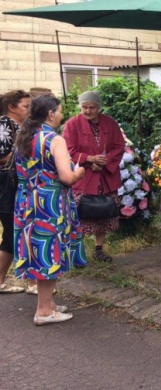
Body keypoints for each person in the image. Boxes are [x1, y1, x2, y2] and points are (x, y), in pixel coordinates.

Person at [14, 95, 86, 325]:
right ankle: (44, 310)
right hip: (50, 204)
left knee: (36, 252)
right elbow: (67, 177)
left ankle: (47, 304)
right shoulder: (54, 139)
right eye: (60, 111)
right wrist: (80, 172)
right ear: (50, 114)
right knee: (49, 253)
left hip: (27, 202)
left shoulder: (24, 137)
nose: (62, 115)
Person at [62, 91, 125, 263]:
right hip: (83, 175)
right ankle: (76, 253)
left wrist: (104, 161)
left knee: (103, 213)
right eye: (84, 107)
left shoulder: (110, 123)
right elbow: (68, 149)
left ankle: (99, 249)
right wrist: (89, 159)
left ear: (99, 108)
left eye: (91, 107)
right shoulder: (72, 124)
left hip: (105, 174)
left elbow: (120, 146)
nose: (87, 111)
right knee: (79, 214)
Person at [0, 90, 30, 294]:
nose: (29, 110)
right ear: (11, 107)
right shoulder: (4, 124)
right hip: (7, 185)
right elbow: (3, 156)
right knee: (18, 232)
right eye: (26, 106)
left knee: (11, 235)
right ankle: (34, 282)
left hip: (10, 185)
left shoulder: (18, 126)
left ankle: (0, 280)